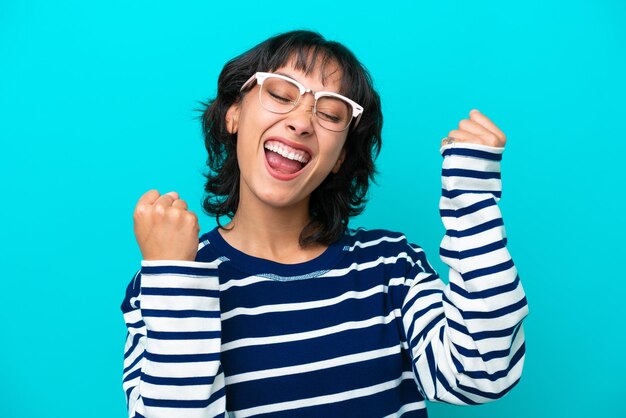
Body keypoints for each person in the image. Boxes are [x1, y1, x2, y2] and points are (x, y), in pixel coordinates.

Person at [121, 30, 528, 418]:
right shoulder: (170, 285)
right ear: (233, 114)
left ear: (338, 159)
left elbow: (482, 373)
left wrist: (472, 198)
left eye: (330, 112)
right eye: (281, 93)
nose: (301, 121)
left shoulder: (391, 268)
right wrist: (172, 274)